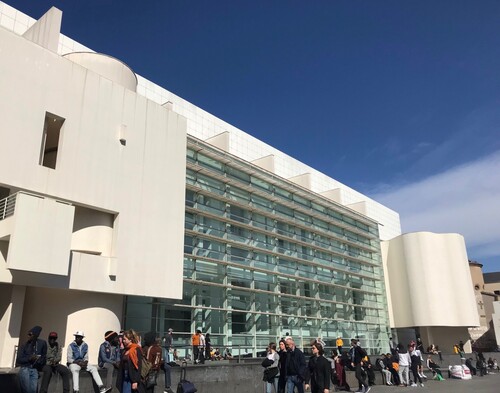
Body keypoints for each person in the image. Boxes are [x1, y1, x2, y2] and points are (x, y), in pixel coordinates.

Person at [16, 325, 47, 393]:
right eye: (28, 334)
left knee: (33, 390)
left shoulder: (41, 343)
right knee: (26, 390)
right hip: (25, 369)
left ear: (35, 335)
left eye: (30, 334)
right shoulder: (24, 345)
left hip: (35, 369)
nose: (28, 336)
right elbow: (19, 359)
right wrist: (29, 358)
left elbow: (44, 356)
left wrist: (39, 361)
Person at [161, 329, 174, 393]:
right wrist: (170, 346)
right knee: (167, 355)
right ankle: (168, 361)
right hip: (167, 346)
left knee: (166, 355)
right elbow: (171, 342)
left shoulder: (165, 335)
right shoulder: (170, 336)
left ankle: (166, 361)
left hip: (165, 346)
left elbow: (164, 340)